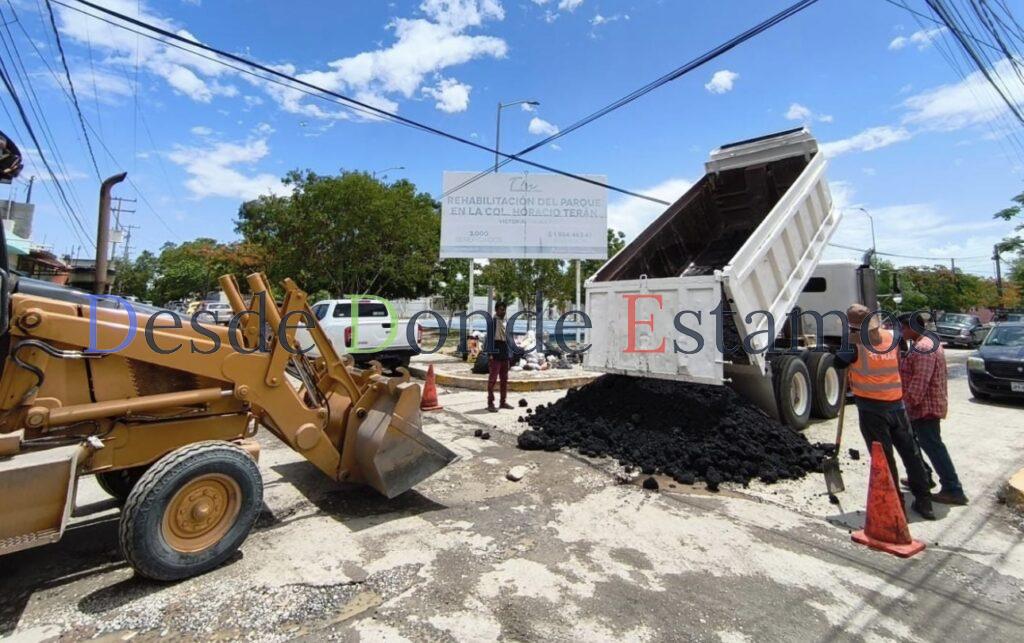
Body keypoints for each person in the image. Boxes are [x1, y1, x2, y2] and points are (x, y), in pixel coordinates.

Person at [835, 304, 935, 520]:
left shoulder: (854, 343)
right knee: (911, 454)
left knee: (884, 459)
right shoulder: (893, 336)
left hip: (872, 409)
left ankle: (896, 506)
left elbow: (837, 362)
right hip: (897, 404)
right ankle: (925, 502)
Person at [899, 312, 968, 505]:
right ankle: (923, 476)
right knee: (916, 443)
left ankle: (953, 489)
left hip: (925, 408)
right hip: (921, 407)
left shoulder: (924, 348)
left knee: (933, 446)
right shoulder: (922, 344)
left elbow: (920, 382)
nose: (900, 332)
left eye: (902, 328)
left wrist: (905, 406)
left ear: (912, 327)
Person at [487, 302, 513, 412]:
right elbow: (489, 339)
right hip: (496, 353)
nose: (503, 312)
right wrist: (490, 354)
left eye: (504, 309)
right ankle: (490, 403)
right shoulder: (493, 322)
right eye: (501, 309)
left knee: (504, 379)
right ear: (496, 310)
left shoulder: (504, 322)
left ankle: (503, 402)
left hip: (504, 353)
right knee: (492, 380)